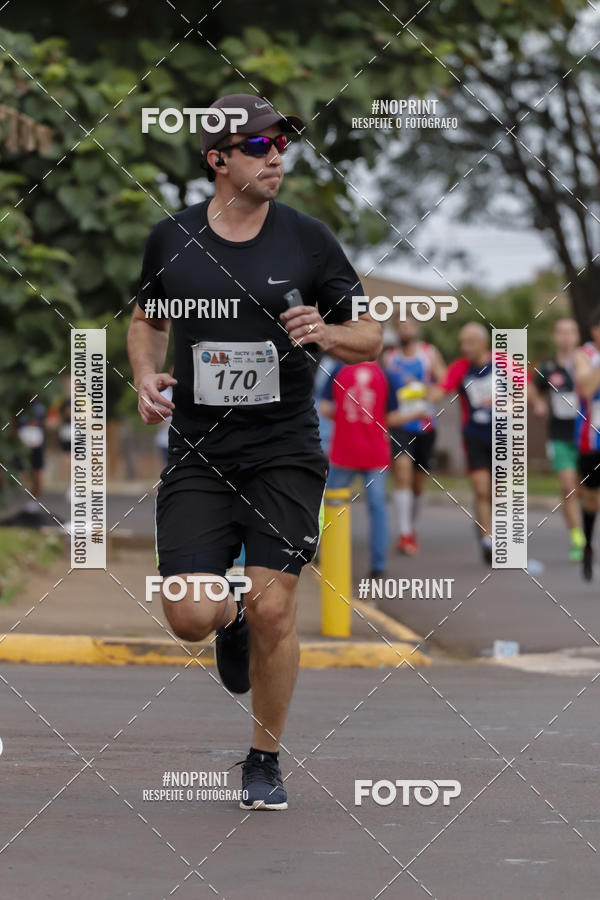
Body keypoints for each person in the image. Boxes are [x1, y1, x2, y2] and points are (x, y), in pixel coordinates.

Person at [128, 94, 381, 810]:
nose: (277, 158)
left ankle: (264, 758)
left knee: (276, 611)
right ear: (218, 159)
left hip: (284, 450)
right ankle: (228, 618)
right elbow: (147, 320)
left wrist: (327, 332)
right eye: (260, 146)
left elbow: (369, 335)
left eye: (282, 146)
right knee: (189, 614)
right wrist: (145, 374)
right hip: (200, 451)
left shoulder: (308, 240)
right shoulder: (172, 239)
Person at [319, 360, 398, 578]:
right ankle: (378, 564)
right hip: (375, 454)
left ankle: (320, 552)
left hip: (343, 452)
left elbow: (324, 407)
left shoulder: (338, 369)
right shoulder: (385, 374)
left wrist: (344, 418)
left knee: (329, 504)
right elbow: (391, 416)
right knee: (377, 508)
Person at [430, 323, 493, 564]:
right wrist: (422, 392)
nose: (465, 347)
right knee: (481, 488)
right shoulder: (460, 367)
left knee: (497, 492)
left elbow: (524, 386)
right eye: (462, 343)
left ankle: (489, 528)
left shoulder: (502, 363)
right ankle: (487, 539)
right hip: (474, 436)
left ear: (483, 342)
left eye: (470, 342)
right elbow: (441, 389)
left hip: (503, 436)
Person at [383, 317, 446, 555]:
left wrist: (424, 390)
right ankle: (405, 533)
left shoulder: (428, 353)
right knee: (402, 474)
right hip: (400, 423)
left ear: (417, 329)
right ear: (395, 331)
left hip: (424, 424)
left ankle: (412, 526)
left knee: (418, 484)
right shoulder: (389, 358)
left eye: (408, 326)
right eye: (400, 327)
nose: (405, 330)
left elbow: (444, 382)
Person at [530, 318, 584, 562]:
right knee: (568, 486)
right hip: (560, 436)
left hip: (588, 436)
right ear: (554, 336)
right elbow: (531, 387)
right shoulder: (549, 367)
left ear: (577, 336)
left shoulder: (589, 364)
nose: (566, 336)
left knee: (587, 491)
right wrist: (538, 402)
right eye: (561, 332)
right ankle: (578, 539)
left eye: (570, 331)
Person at [573, 311, 600, 580]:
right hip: (591, 440)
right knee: (591, 499)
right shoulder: (584, 356)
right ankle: (588, 546)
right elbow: (588, 388)